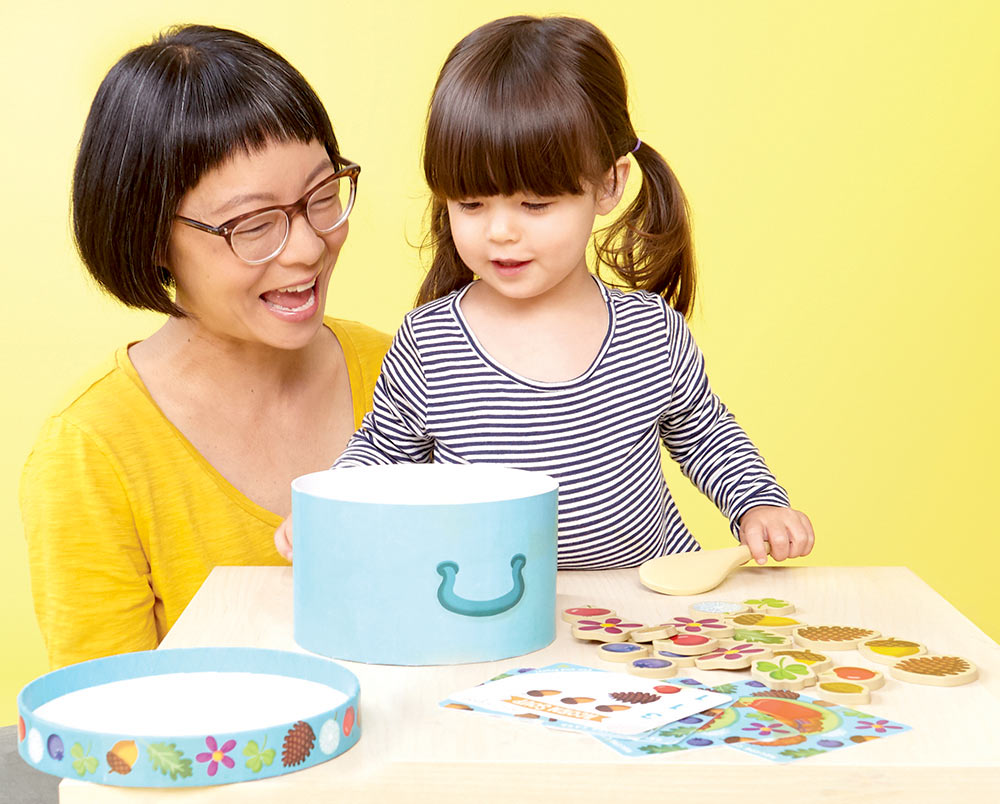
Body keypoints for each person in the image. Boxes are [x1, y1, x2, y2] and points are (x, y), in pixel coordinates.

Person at [275, 15, 813, 569]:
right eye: (471, 204)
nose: (501, 230)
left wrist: (759, 505)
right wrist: (329, 507)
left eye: (535, 204)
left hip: (645, 609)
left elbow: (707, 437)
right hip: (492, 608)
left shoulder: (650, 331)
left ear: (609, 184)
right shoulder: (430, 343)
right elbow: (383, 452)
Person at [21, 25, 391, 669]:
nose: (306, 248)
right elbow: (113, 731)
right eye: (253, 225)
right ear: (154, 239)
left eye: (323, 196)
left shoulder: (404, 368)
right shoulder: (93, 453)